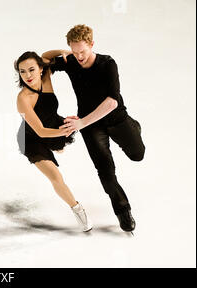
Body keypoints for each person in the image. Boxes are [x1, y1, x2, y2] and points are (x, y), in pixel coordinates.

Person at [42, 24, 145, 232]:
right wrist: (63, 53)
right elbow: (44, 59)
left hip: (117, 118)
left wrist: (80, 123)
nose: (79, 56)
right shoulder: (71, 61)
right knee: (106, 171)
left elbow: (112, 102)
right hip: (91, 127)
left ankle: (135, 127)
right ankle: (123, 210)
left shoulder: (107, 63)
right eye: (75, 51)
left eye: (83, 51)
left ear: (92, 44)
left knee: (138, 155)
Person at [15, 51, 92, 232]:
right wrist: (66, 130)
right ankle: (77, 208)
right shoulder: (22, 99)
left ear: (41, 69)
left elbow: (46, 55)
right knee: (56, 177)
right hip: (33, 139)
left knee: (59, 144)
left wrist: (63, 52)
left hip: (54, 124)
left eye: (32, 69)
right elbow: (40, 131)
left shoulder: (46, 78)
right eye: (23, 71)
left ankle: (58, 147)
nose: (28, 76)